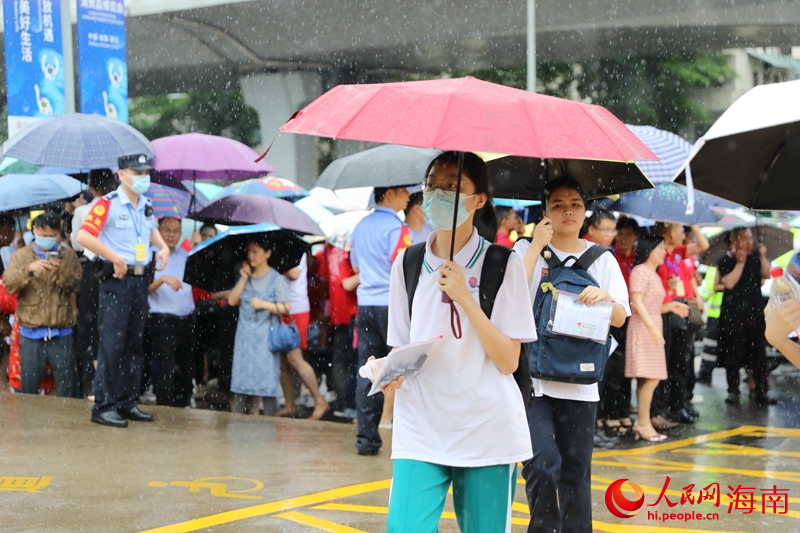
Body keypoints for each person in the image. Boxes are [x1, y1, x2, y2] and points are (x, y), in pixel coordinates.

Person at [376, 151, 534, 532]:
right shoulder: (408, 263)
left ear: (479, 200)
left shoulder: (502, 263)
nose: (437, 193)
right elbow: (402, 345)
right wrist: (389, 370)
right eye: (432, 184)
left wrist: (466, 298)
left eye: (452, 186)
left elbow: (509, 361)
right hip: (421, 425)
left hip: (485, 428)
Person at [516, 177, 630, 533]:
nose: (568, 210)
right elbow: (512, 295)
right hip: (534, 381)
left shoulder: (602, 259)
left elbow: (621, 316)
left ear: (586, 212)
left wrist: (604, 297)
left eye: (576, 204)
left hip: (581, 383)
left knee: (576, 474)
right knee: (542, 464)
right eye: (558, 204)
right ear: (545, 211)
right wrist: (536, 245)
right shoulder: (525, 249)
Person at [77, 153, 170, 428]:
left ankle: (126, 401)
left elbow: (150, 229)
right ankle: (103, 405)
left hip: (140, 280)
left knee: (134, 344)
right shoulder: (107, 204)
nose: (143, 178)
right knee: (111, 345)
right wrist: (113, 256)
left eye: (145, 173)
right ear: (122, 175)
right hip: (116, 280)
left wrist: (163, 246)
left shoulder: (146, 205)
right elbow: (84, 236)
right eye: (137, 173)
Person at [350, 184, 412, 455]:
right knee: (403, 367)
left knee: (368, 368)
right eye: (404, 192)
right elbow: (403, 266)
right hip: (391, 304)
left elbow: (355, 267)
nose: (409, 196)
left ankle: (367, 439)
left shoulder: (361, 226)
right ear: (390, 194)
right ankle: (409, 437)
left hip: (365, 304)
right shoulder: (397, 228)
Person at [3, 210, 82, 397]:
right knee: (29, 386)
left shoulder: (68, 256)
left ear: (58, 233)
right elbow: (9, 284)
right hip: (31, 331)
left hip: (61, 330)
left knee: (66, 386)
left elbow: (77, 286)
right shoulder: (22, 255)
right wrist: (29, 270)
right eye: (44, 235)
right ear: (35, 231)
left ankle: (63, 422)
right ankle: (30, 424)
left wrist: (61, 274)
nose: (48, 239)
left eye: (52, 236)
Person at [626, 236, 690, 442]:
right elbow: (636, 302)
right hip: (644, 328)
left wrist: (671, 306)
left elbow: (652, 305)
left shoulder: (654, 274)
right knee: (650, 377)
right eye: (660, 249)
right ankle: (642, 422)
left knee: (650, 377)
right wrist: (652, 327)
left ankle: (643, 422)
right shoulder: (640, 272)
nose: (663, 252)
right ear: (649, 249)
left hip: (652, 326)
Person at [651, 222, 709, 425]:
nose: (684, 235)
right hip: (666, 309)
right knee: (665, 362)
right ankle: (662, 408)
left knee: (681, 361)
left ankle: (678, 405)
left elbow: (703, 245)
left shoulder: (678, 252)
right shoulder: (659, 254)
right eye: (680, 231)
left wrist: (694, 224)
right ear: (669, 233)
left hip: (682, 307)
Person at [227, 236, 291, 416]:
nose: (251, 255)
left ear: (268, 253)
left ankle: (269, 422)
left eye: (256, 251)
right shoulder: (245, 276)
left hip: (265, 339)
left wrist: (264, 304)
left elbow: (286, 307)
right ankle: (238, 423)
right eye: (249, 251)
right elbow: (232, 300)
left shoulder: (277, 279)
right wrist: (243, 278)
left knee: (266, 383)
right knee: (241, 382)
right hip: (244, 338)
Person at [716, 227, 775, 405]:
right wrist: (740, 263)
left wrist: (763, 255)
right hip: (734, 315)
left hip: (755, 313)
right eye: (744, 238)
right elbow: (729, 283)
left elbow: (767, 274)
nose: (749, 242)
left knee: (759, 354)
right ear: (734, 241)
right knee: (733, 354)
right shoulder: (726, 260)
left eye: (750, 238)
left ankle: (761, 390)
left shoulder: (756, 257)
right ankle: (733, 390)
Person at [275, 253, 330, 419]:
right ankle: (290, 404)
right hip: (283, 309)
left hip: (296, 310)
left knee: (294, 358)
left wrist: (271, 271)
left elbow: (294, 273)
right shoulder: (283, 246)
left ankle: (320, 401)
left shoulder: (294, 247)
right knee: (283, 360)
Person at [147, 217, 196, 407]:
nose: (171, 235)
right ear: (158, 231)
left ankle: (183, 404)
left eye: (176, 231)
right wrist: (163, 279)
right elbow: (142, 289)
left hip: (186, 318)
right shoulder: (150, 255)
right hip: (162, 319)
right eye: (167, 230)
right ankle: (164, 406)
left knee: (187, 365)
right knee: (165, 365)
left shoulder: (187, 255)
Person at [318, 242, 359, 419]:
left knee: (340, 358)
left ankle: (344, 402)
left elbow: (322, 278)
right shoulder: (352, 248)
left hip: (336, 309)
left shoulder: (328, 249)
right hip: (353, 308)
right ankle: (351, 403)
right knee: (355, 359)